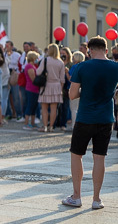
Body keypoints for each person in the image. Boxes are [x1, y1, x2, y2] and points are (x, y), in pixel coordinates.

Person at [61, 36, 118, 210]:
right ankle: (96, 199)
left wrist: (83, 92)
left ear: (90, 50)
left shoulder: (81, 67)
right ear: (106, 50)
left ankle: (77, 196)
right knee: (99, 157)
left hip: (85, 117)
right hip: (106, 118)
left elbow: (71, 95)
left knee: (76, 155)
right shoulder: (115, 67)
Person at [37, 44, 65, 132]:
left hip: (46, 85)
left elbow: (38, 72)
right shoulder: (60, 62)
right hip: (56, 86)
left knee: (44, 108)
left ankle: (45, 126)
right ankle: (51, 126)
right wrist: (60, 89)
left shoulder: (45, 60)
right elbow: (62, 79)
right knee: (54, 108)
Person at [23, 51, 40, 130]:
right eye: (36, 58)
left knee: (34, 107)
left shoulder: (33, 66)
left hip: (35, 89)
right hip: (31, 89)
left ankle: (32, 123)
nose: (38, 59)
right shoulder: (29, 66)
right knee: (30, 106)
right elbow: (33, 79)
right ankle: (26, 123)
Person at [68, 51, 85, 127]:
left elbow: (71, 79)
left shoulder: (74, 67)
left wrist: (66, 73)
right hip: (83, 88)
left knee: (74, 108)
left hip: (74, 88)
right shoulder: (84, 66)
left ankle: (74, 125)